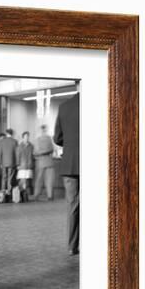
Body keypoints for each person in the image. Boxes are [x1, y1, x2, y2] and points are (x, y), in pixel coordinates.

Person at [54, 91, 80, 255]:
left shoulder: (64, 106)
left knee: (72, 205)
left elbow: (57, 137)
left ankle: (72, 246)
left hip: (70, 164)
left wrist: (70, 145)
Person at [33, 124, 56, 201]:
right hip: (49, 161)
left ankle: (36, 195)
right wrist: (47, 151)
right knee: (49, 180)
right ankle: (50, 195)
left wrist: (41, 152)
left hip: (40, 162)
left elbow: (35, 152)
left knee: (39, 180)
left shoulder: (37, 140)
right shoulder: (49, 138)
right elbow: (52, 149)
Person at [16, 131, 34, 201]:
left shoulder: (31, 146)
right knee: (22, 181)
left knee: (28, 181)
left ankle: (27, 196)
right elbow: (18, 156)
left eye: (28, 137)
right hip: (22, 166)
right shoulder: (19, 147)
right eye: (25, 137)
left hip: (29, 166)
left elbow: (33, 155)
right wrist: (18, 164)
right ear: (23, 138)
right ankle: (22, 196)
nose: (27, 138)